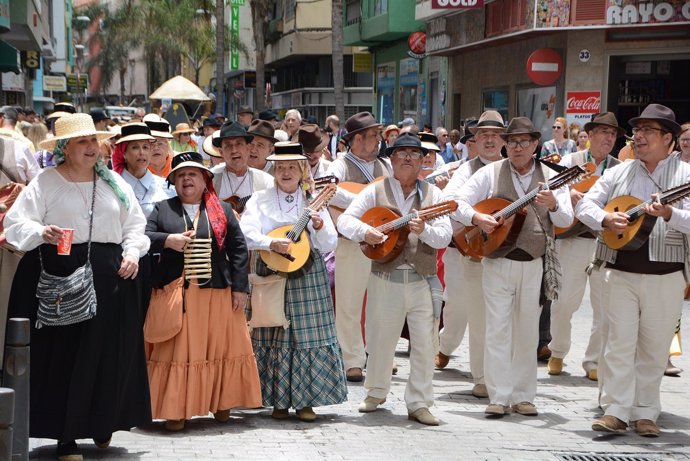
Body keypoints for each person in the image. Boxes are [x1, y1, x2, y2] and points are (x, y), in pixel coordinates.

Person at [3, 113, 151, 460]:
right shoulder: (45, 182)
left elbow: (135, 224)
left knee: (108, 355)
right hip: (60, 276)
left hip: (111, 277)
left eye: (93, 141)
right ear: (65, 148)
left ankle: (103, 423)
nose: (91, 147)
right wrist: (42, 232)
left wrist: (132, 253)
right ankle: (65, 437)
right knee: (66, 356)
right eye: (82, 142)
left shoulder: (114, 182)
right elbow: (15, 223)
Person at [577, 104, 690, 437]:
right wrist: (605, 219)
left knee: (654, 347)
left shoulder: (685, 176)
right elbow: (585, 204)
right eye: (637, 131)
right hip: (619, 270)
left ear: (668, 139)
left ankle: (645, 412)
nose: (638, 137)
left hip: (666, 274)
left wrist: (671, 215)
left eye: (648, 131)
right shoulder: (618, 172)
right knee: (619, 343)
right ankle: (615, 410)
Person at [454, 117, 573, 416]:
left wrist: (553, 205)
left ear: (536, 144)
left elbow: (566, 220)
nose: (518, 147)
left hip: (533, 263)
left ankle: (523, 396)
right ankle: (498, 396)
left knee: (528, 332)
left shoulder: (551, 177)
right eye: (513, 141)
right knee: (497, 329)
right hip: (497, 261)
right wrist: (477, 218)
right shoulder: (491, 172)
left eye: (525, 142)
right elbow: (456, 200)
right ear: (506, 144)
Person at [337, 133, 452, 426]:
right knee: (380, 338)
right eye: (402, 153)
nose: (408, 159)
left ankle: (419, 402)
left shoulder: (434, 196)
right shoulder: (376, 190)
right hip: (385, 276)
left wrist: (423, 230)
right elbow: (345, 220)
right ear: (391, 158)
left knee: (425, 343)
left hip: (421, 278)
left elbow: (445, 236)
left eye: (414, 154)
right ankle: (376, 392)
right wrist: (367, 233)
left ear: (422, 161)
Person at [145, 151, 261, 431]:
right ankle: (176, 410)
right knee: (180, 350)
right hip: (179, 293)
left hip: (218, 291)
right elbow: (144, 237)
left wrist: (240, 288)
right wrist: (167, 240)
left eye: (193, 174)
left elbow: (238, 250)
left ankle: (222, 402)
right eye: (181, 175)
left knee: (221, 346)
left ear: (204, 179)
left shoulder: (221, 210)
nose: (187, 179)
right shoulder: (162, 209)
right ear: (173, 181)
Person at [240, 142, 347, 421]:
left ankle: (305, 401)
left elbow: (328, 244)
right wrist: (271, 242)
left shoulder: (313, 199)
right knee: (272, 330)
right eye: (281, 167)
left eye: (292, 167)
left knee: (306, 335)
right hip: (271, 268)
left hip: (307, 273)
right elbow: (246, 232)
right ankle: (276, 400)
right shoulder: (260, 199)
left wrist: (320, 226)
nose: (286, 172)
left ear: (302, 170)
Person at [546, 112, 623, 381]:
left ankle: (593, 361)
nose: (608, 138)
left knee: (605, 305)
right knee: (564, 301)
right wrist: (569, 192)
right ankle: (557, 351)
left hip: (605, 241)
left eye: (612, 134)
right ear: (589, 136)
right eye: (603, 132)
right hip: (573, 239)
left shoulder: (619, 167)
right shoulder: (571, 161)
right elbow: (551, 186)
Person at [437, 111, 506, 400]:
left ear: (504, 139)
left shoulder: (514, 167)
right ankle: (453, 353)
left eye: (495, 134)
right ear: (474, 141)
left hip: (505, 253)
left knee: (495, 318)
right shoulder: (466, 170)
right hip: (467, 249)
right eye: (483, 135)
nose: (489, 140)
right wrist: (475, 216)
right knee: (463, 310)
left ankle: (491, 376)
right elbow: (447, 202)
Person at [326, 111, 391, 382]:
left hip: (384, 241)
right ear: (356, 140)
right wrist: (367, 198)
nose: (378, 140)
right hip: (351, 242)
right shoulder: (339, 165)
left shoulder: (384, 165)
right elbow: (328, 189)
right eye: (373, 135)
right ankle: (351, 358)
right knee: (349, 303)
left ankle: (376, 354)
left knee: (381, 302)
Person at [117, 123, 176, 217]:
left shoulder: (167, 187)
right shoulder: (113, 186)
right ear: (124, 153)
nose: (141, 153)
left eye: (145, 147)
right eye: (135, 147)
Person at [211, 121, 273, 209]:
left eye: (239, 144)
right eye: (228, 145)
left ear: (248, 148)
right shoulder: (211, 179)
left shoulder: (265, 181)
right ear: (221, 152)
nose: (234, 150)